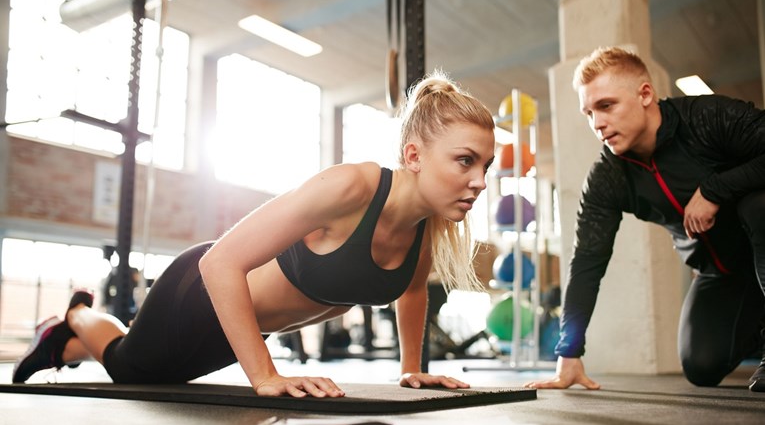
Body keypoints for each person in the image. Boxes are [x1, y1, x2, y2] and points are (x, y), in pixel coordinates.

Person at [12, 70, 498, 398]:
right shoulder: (352, 187)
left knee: (157, 378)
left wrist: (410, 368)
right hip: (202, 296)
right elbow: (219, 263)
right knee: (126, 368)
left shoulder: (426, 228)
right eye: (465, 160)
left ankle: (60, 342)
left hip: (243, 327)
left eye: (486, 165)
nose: (479, 180)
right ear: (413, 156)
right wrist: (264, 375)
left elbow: (411, 291)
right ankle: (77, 316)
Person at [524, 46, 765, 392]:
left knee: (759, 205)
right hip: (720, 272)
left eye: (606, 106)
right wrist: (568, 353)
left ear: (645, 94)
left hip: (758, 236)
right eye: (589, 113)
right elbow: (587, 261)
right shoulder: (609, 177)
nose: (597, 123)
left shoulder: (705, 118)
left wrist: (717, 188)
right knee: (701, 367)